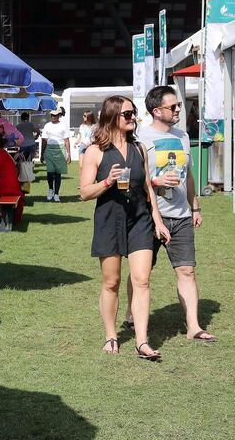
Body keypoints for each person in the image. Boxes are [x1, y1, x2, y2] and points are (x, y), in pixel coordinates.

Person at [79, 95, 170, 361]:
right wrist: (107, 181)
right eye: (127, 115)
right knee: (112, 282)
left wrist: (158, 220)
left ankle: (142, 342)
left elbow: (147, 190)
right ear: (112, 117)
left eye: (134, 114)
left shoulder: (139, 148)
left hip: (139, 219)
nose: (133, 118)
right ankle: (111, 335)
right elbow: (84, 193)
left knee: (142, 280)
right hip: (109, 220)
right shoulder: (95, 150)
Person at [122, 86, 215, 342]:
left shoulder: (183, 136)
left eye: (178, 106)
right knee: (142, 273)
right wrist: (156, 180)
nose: (178, 110)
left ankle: (193, 326)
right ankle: (131, 313)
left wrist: (194, 206)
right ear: (156, 110)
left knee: (187, 270)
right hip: (149, 216)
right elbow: (134, 179)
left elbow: (190, 176)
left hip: (182, 215)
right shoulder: (139, 138)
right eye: (173, 107)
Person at [40, 108, 71, 202]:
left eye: (55, 115)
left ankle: (56, 193)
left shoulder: (63, 125)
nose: (53, 117)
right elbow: (44, 140)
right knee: (50, 172)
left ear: (59, 115)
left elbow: (66, 140)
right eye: (52, 115)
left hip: (60, 150)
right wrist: (42, 153)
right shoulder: (47, 125)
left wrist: (68, 153)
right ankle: (50, 190)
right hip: (49, 149)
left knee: (58, 173)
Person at [77, 110, 97, 174]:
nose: (83, 117)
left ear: (89, 116)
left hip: (91, 147)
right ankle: (81, 183)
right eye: (83, 115)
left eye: (85, 116)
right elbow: (80, 136)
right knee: (81, 166)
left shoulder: (95, 127)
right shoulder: (82, 126)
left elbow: (97, 138)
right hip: (82, 146)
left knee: (91, 166)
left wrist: (92, 142)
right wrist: (77, 142)